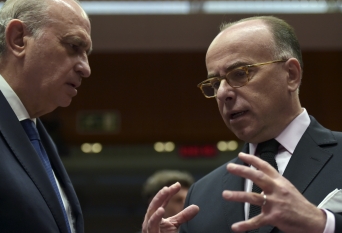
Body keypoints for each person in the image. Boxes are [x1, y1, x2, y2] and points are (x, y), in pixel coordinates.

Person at [142, 16, 342, 233]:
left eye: (240, 73)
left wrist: (323, 224)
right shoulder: (201, 195)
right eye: (215, 83)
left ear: (291, 75)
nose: (223, 93)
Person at [0, 0, 91, 233]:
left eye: (86, 54)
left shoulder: (34, 132)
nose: (86, 68)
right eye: (73, 46)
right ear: (18, 39)